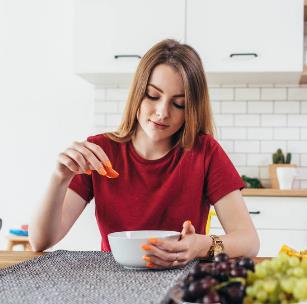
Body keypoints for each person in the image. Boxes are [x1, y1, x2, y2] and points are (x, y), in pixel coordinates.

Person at [29, 39, 260, 268]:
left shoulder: (205, 152)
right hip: (112, 280)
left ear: (191, 109)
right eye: (152, 95)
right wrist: (60, 177)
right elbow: (40, 241)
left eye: (178, 104)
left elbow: (249, 242)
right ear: (138, 92)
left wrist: (200, 246)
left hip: (181, 280)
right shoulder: (99, 152)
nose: (162, 113)